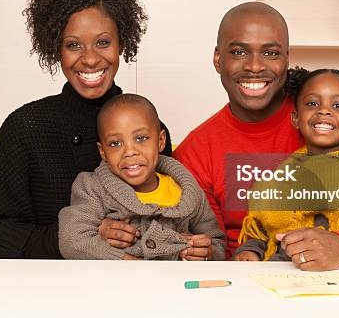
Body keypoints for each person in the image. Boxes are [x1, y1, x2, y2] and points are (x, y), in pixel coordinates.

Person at [172, 1, 339, 270]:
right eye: (239, 51)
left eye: (271, 53)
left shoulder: (334, 123)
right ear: (218, 59)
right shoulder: (196, 152)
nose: (255, 66)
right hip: (247, 282)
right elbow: (214, 249)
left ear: (287, 59)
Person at [0, 0, 172, 258]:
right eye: (73, 45)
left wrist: (192, 243)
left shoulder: (149, 126)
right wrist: (82, 236)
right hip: (47, 290)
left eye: (103, 42)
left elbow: (170, 215)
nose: (89, 59)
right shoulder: (26, 127)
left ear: (121, 43)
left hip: (131, 287)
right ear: (56, 50)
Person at [235, 66, 339, 265]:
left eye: (338, 105)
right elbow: (264, 228)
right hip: (279, 270)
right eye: (312, 103)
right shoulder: (280, 176)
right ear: (296, 118)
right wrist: (251, 251)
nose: (324, 110)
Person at [58, 94, 225, 260]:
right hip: (115, 283)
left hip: (175, 284)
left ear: (161, 141)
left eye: (141, 138)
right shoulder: (92, 187)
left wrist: (206, 253)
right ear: (103, 152)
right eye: (115, 143)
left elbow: (216, 243)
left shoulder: (186, 191)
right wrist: (124, 261)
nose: (129, 151)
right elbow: (72, 240)